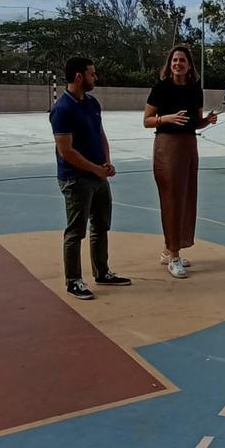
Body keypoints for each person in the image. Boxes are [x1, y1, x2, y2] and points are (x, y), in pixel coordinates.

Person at [50, 55, 130, 300]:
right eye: (92, 74)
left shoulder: (93, 103)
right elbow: (66, 151)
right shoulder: (62, 109)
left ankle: (102, 271)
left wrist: (105, 162)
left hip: (98, 176)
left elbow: (100, 135)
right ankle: (73, 280)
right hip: (76, 180)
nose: (95, 78)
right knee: (76, 231)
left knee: (101, 225)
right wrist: (94, 170)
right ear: (78, 76)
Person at [143, 46, 218, 279]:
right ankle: (174, 256)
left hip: (188, 146)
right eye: (174, 60)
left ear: (189, 65)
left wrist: (207, 121)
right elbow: (146, 121)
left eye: (182, 60)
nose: (178, 64)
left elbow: (193, 122)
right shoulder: (160, 88)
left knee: (186, 198)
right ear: (169, 64)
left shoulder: (195, 90)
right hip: (167, 146)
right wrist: (167, 118)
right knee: (172, 198)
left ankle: (171, 249)